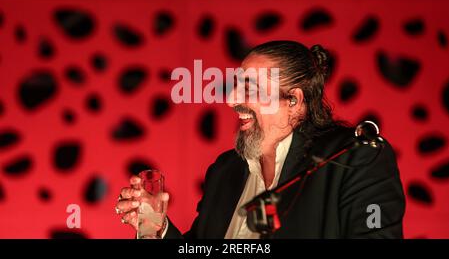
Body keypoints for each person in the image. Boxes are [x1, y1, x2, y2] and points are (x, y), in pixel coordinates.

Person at [114, 40, 406, 239]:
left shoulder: (355, 158)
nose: (231, 100)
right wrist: (156, 227)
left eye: (249, 89)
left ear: (293, 99)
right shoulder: (225, 170)